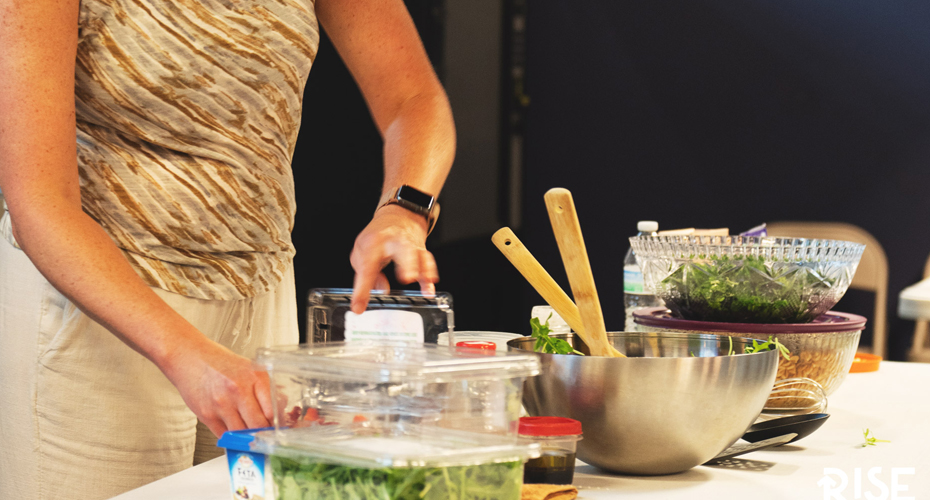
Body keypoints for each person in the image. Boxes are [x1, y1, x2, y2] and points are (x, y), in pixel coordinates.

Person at [0, 0, 455, 498]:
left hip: (261, 296)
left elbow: (413, 97)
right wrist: (185, 353)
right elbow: (40, 206)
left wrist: (404, 210)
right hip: (104, 317)